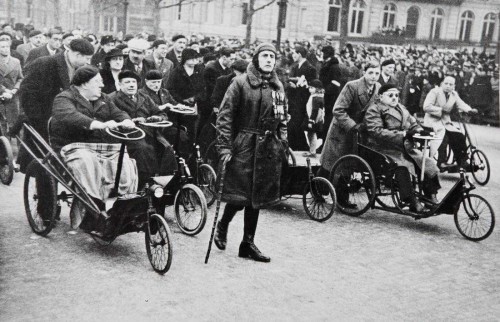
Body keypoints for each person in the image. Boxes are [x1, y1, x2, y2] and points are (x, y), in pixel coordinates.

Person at [214, 43, 288, 263]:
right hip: (244, 145)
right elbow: (224, 117)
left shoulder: (277, 86)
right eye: (264, 56)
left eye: (272, 57)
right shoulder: (239, 83)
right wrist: (225, 147)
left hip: (267, 147)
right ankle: (223, 223)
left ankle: (247, 243)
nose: (268, 60)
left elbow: (283, 117)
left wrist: (283, 142)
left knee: (257, 198)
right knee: (241, 194)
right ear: (256, 59)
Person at [50, 65, 138, 229]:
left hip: (101, 146)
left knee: (124, 161)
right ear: (84, 84)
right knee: (87, 162)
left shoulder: (103, 98)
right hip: (72, 146)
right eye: (97, 82)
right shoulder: (64, 98)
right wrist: (98, 124)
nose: (102, 85)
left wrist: (126, 120)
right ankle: (92, 208)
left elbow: (118, 112)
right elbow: (70, 116)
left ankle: (122, 207)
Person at [364, 84, 441, 210]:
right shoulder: (375, 109)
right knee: (402, 166)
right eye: (390, 95)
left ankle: (431, 195)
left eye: (396, 95)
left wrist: (419, 131)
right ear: (381, 97)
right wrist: (404, 134)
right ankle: (411, 200)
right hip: (383, 148)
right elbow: (376, 131)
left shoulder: (402, 108)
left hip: (404, 146)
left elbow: (413, 123)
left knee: (427, 162)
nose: (394, 98)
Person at [110, 70, 176, 180]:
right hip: (128, 135)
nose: (131, 85)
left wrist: (158, 118)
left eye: (133, 82)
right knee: (144, 149)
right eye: (127, 82)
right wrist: (132, 121)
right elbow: (113, 118)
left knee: (166, 148)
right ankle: (144, 181)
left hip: (150, 133)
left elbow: (160, 112)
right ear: (120, 84)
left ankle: (166, 182)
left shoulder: (144, 97)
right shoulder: (113, 99)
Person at [320, 60, 381, 178]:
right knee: (330, 164)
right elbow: (338, 110)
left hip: (358, 132)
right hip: (342, 130)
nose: (374, 77)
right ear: (364, 72)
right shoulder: (352, 86)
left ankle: (340, 191)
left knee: (347, 166)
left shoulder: (378, 88)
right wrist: (353, 125)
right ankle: (317, 189)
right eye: (371, 72)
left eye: (377, 73)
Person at [423, 76, 477, 170]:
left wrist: (469, 110)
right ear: (442, 84)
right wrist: (440, 110)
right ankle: (441, 162)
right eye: (446, 83)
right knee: (444, 137)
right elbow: (426, 107)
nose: (448, 86)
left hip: (445, 121)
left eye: (450, 84)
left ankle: (462, 160)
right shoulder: (434, 92)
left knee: (459, 136)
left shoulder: (453, 94)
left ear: (454, 86)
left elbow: (461, 104)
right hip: (432, 121)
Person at [286, 45, 317, 151]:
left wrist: (298, 87)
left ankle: (301, 147)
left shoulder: (310, 68)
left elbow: (313, 86)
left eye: (294, 53)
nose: (292, 55)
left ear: (299, 54)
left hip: (302, 102)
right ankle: (295, 147)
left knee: (296, 125)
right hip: (294, 102)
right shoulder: (295, 67)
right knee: (293, 125)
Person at [0, 38, 23, 133]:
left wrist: (15, 89)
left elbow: (20, 78)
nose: (5, 49)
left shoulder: (16, 61)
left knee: (14, 122)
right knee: (2, 123)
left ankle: (17, 145)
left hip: (13, 96)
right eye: (2, 47)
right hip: (1, 94)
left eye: (7, 47)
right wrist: (4, 90)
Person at [302, 79, 325, 157]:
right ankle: (312, 150)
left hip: (314, 119)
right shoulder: (316, 96)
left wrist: (311, 121)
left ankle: (312, 151)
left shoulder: (316, 98)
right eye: (309, 87)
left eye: (312, 88)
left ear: (317, 89)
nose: (309, 89)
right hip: (314, 118)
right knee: (310, 134)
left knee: (312, 134)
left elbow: (315, 110)